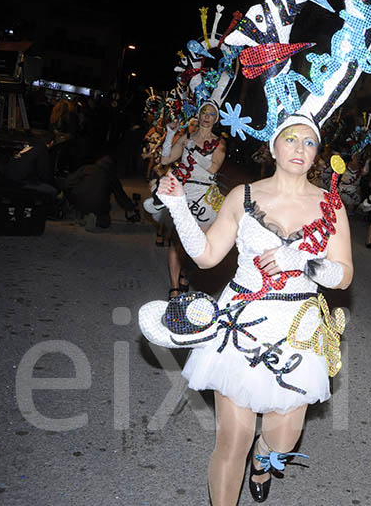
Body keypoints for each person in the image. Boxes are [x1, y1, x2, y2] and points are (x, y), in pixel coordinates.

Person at [141, 119, 352, 505]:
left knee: (282, 438)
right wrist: (177, 207)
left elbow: (343, 275)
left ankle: (263, 459)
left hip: (297, 329)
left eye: (309, 142)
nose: (299, 148)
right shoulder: (242, 196)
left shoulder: (330, 205)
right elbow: (205, 257)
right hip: (242, 323)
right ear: (272, 147)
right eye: (290, 139)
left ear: (317, 153)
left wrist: (303, 262)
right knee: (231, 441)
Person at [150, 102, 226, 298]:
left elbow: (213, 168)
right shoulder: (187, 138)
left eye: (211, 114)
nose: (207, 116)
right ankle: (174, 286)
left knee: (200, 242)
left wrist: (194, 152)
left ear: (216, 119)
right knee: (178, 241)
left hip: (206, 197)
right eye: (204, 112)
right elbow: (166, 160)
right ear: (199, 115)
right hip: (184, 193)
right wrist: (169, 134)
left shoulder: (219, 143)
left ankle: (186, 273)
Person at [64, 154, 140, 230]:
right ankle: (97, 220)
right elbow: (121, 197)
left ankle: (81, 215)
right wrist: (131, 207)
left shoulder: (86, 168)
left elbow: (68, 183)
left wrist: (72, 197)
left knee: (81, 202)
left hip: (79, 202)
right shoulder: (112, 177)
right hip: (98, 206)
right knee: (106, 222)